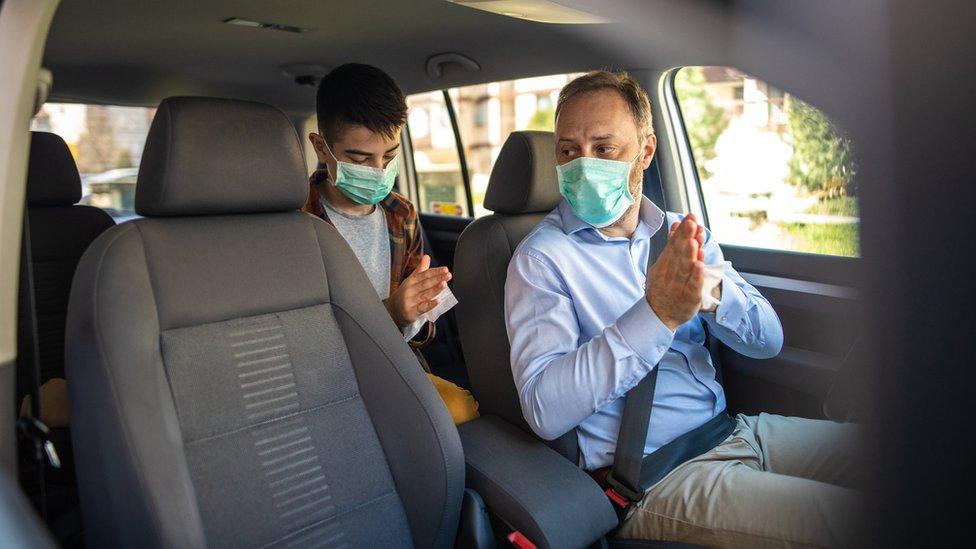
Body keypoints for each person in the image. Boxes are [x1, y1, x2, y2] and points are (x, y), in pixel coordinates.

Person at [505, 70, 861, 547]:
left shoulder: (680, 234)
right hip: (654, 475)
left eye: (604, 148)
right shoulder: (540, 260)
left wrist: (711, 296)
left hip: (733, 431)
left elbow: (768, 341)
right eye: (568, 150)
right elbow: (544, 409)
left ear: (645, 151)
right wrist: (657, 314)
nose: (582, 165)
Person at [304, 63, 478, 425]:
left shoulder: (401, 213)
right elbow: (303, 340)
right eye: (359, 158)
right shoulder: (295, 220)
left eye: (390, 156)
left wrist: (418, 309)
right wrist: (390, 314)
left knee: (464, 410)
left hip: (396, 366)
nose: (379, 170)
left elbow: (423, 331)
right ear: (322, 148)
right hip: (323, 380)